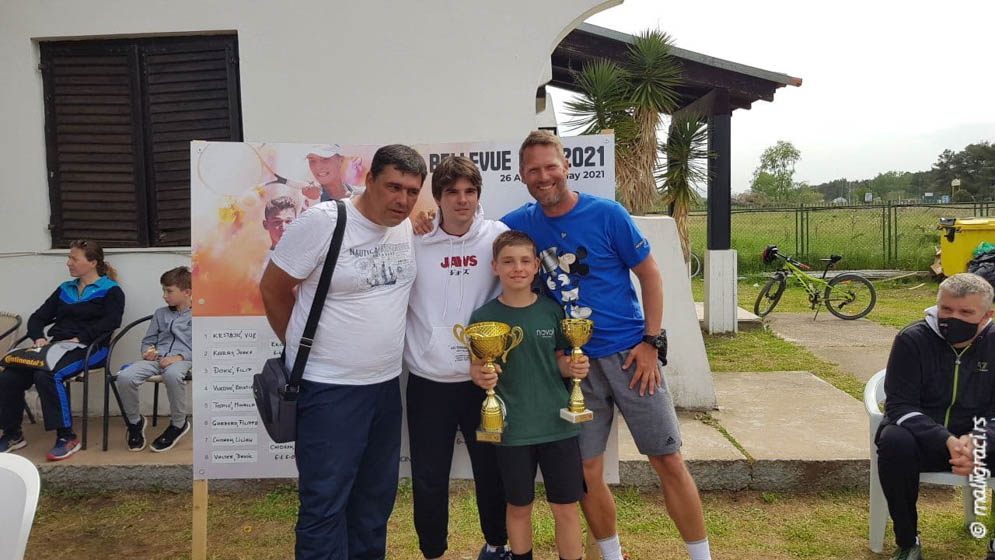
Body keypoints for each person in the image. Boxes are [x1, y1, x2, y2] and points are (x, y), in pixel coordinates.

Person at [500, 131, 711, 560]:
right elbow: (466, 233)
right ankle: (612, 556)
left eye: (550, 166)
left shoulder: (608, 214)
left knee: (667, 460)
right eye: (534, 169)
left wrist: (652, 342)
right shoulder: (519, 224)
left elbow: (650, 276)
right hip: (573, 366)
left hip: (632, 357)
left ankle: (701, 556)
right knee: (586, 472)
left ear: (567, 167)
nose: (543, 176)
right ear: (522, 176)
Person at [260, 143, 425, 559]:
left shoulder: (405, 226)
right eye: (393, 187)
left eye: (411, 190)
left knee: (374, 504)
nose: (402, 199)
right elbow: (274, 289)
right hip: (328, 390)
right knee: (324, 505)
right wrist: (303, 351)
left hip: (385, 388)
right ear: (368, 181)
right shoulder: (325, 222)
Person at [404, 156, 510, 560]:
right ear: (439, 196)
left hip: (483, 381)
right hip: (429, 384)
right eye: (452, 192)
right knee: (429, 477)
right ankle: (433, 551)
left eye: (470, 192)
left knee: (491, 472)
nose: (462, 200)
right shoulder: (415, 236)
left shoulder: (497, 235)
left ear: (479, 195)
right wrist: (415, 220)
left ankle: (497, 545)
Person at [467, 230, 588, 560]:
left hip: (558, 426)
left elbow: (559, 362)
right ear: (495, 267)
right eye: (508, 262)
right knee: (518, 507)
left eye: (524, 261)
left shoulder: (552, 311)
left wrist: (573, 368)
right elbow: (477, 370)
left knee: (565, 509)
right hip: (512, 431)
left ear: (536, 266)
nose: (516, 268)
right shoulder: (482, 318)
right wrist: (481, 376)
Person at [877, 272, 995, 560]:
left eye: (966, 312)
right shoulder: (912, 339)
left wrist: (978, 441)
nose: (952, 318)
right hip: (923, 441)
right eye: (946, 309)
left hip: (979, 443)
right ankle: (908, 541)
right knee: (894, 440)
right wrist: (946, 440)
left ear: (987, 314)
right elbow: (900, 405)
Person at [0, 239, 125, 460]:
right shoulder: (64, 289)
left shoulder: (111, 291)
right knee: (9, 376)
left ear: (92, 262)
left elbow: (111, 323)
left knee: (47, 374)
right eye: (69, 258)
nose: (68, 263)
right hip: (56, 348)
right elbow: (39, 317)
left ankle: (67, 437)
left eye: (74, 258)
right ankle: (12, 434)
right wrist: (38, 337)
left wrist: (80, 337)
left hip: (91, 348)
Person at [115, 266, 192, 453]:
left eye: (169, 291)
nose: (165, 296)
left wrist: (178, 357)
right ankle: (135, 422)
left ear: (187, 292)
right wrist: (148, 351)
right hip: (156, 360)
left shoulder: (200, 315)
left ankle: (178, 424)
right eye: (163, 290)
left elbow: (203, 345)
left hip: (184, 360)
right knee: (125, 376)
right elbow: (149, 340)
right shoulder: (160, 314)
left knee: (173, 375)